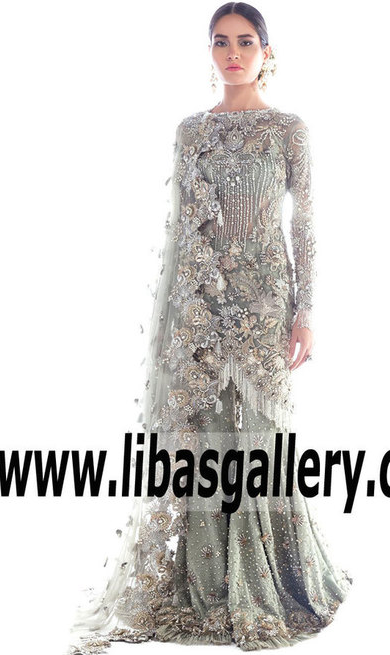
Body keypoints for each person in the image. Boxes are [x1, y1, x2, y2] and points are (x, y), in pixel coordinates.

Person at [66, 3, 353, 653]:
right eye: (220, 42)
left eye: (245, 42)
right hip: (201, 306)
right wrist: (179, 321)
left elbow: (304, 224)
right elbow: (181, 232)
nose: (233, 53)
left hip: (265, 304)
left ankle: (273, 579)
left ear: (266, 52)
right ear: (209, 51)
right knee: (209, 438)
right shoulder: (191, 131)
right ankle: (209, 581)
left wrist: (306, 311)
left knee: (263, 437)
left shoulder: (288, 129)